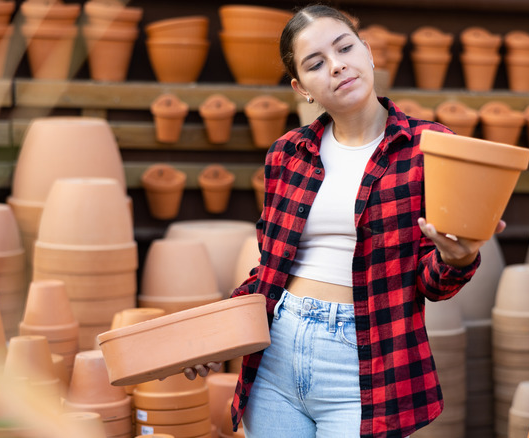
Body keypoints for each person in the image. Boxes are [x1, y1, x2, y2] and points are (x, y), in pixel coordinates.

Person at [183, 5, 504, 437]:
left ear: (367, 52)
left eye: (345, 47)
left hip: (366, 361)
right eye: (315, 63)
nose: (337, 66)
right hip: (277, 350)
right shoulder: (287, 153)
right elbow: (269, 271)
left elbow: (431, 285)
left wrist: (458, 260)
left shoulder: (430, 148)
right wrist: (214, 334)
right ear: (302, 88)